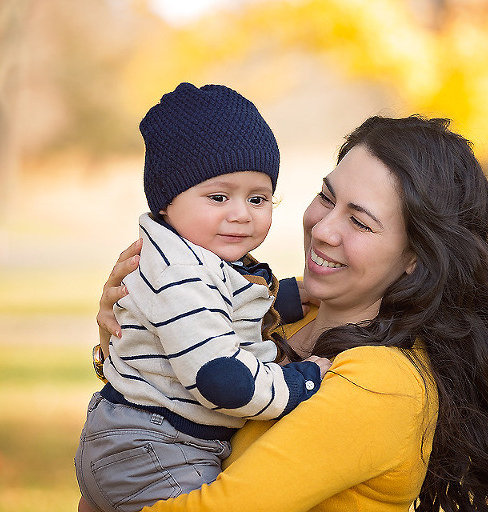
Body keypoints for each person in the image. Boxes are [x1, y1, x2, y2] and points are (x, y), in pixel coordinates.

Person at [95, 115, 488, 512]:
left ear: (415, 257)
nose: (323, 229)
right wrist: (130, 332)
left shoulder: (381, 382)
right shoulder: (280, 320)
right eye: (326, 198)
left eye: (358, 221)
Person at [75, 82, 330, 512]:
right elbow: (220, 378)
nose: (240, 213)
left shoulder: (194, 258)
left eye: (258, 198)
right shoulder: (182, 275)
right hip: (157, 449)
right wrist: (301, 380)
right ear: (165, 203)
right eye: (218, 197)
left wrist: (283, 299)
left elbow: (222, 311)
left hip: (134, 437)